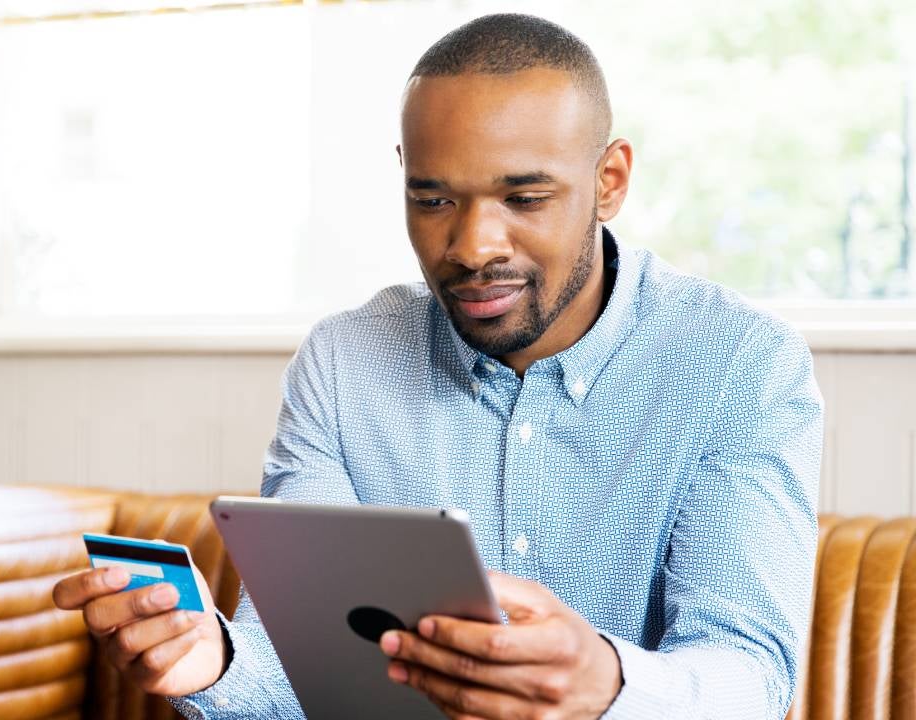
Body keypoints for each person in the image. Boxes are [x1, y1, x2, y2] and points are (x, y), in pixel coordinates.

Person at [53, 12, 822, 720]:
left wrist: (607, 682)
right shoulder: (344, 363)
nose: (473, 247)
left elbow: (751, 678)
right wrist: (216, 660)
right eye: (433, 201)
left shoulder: (739, 366)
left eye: (524, 197)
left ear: (609, 182)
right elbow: (303, 668)